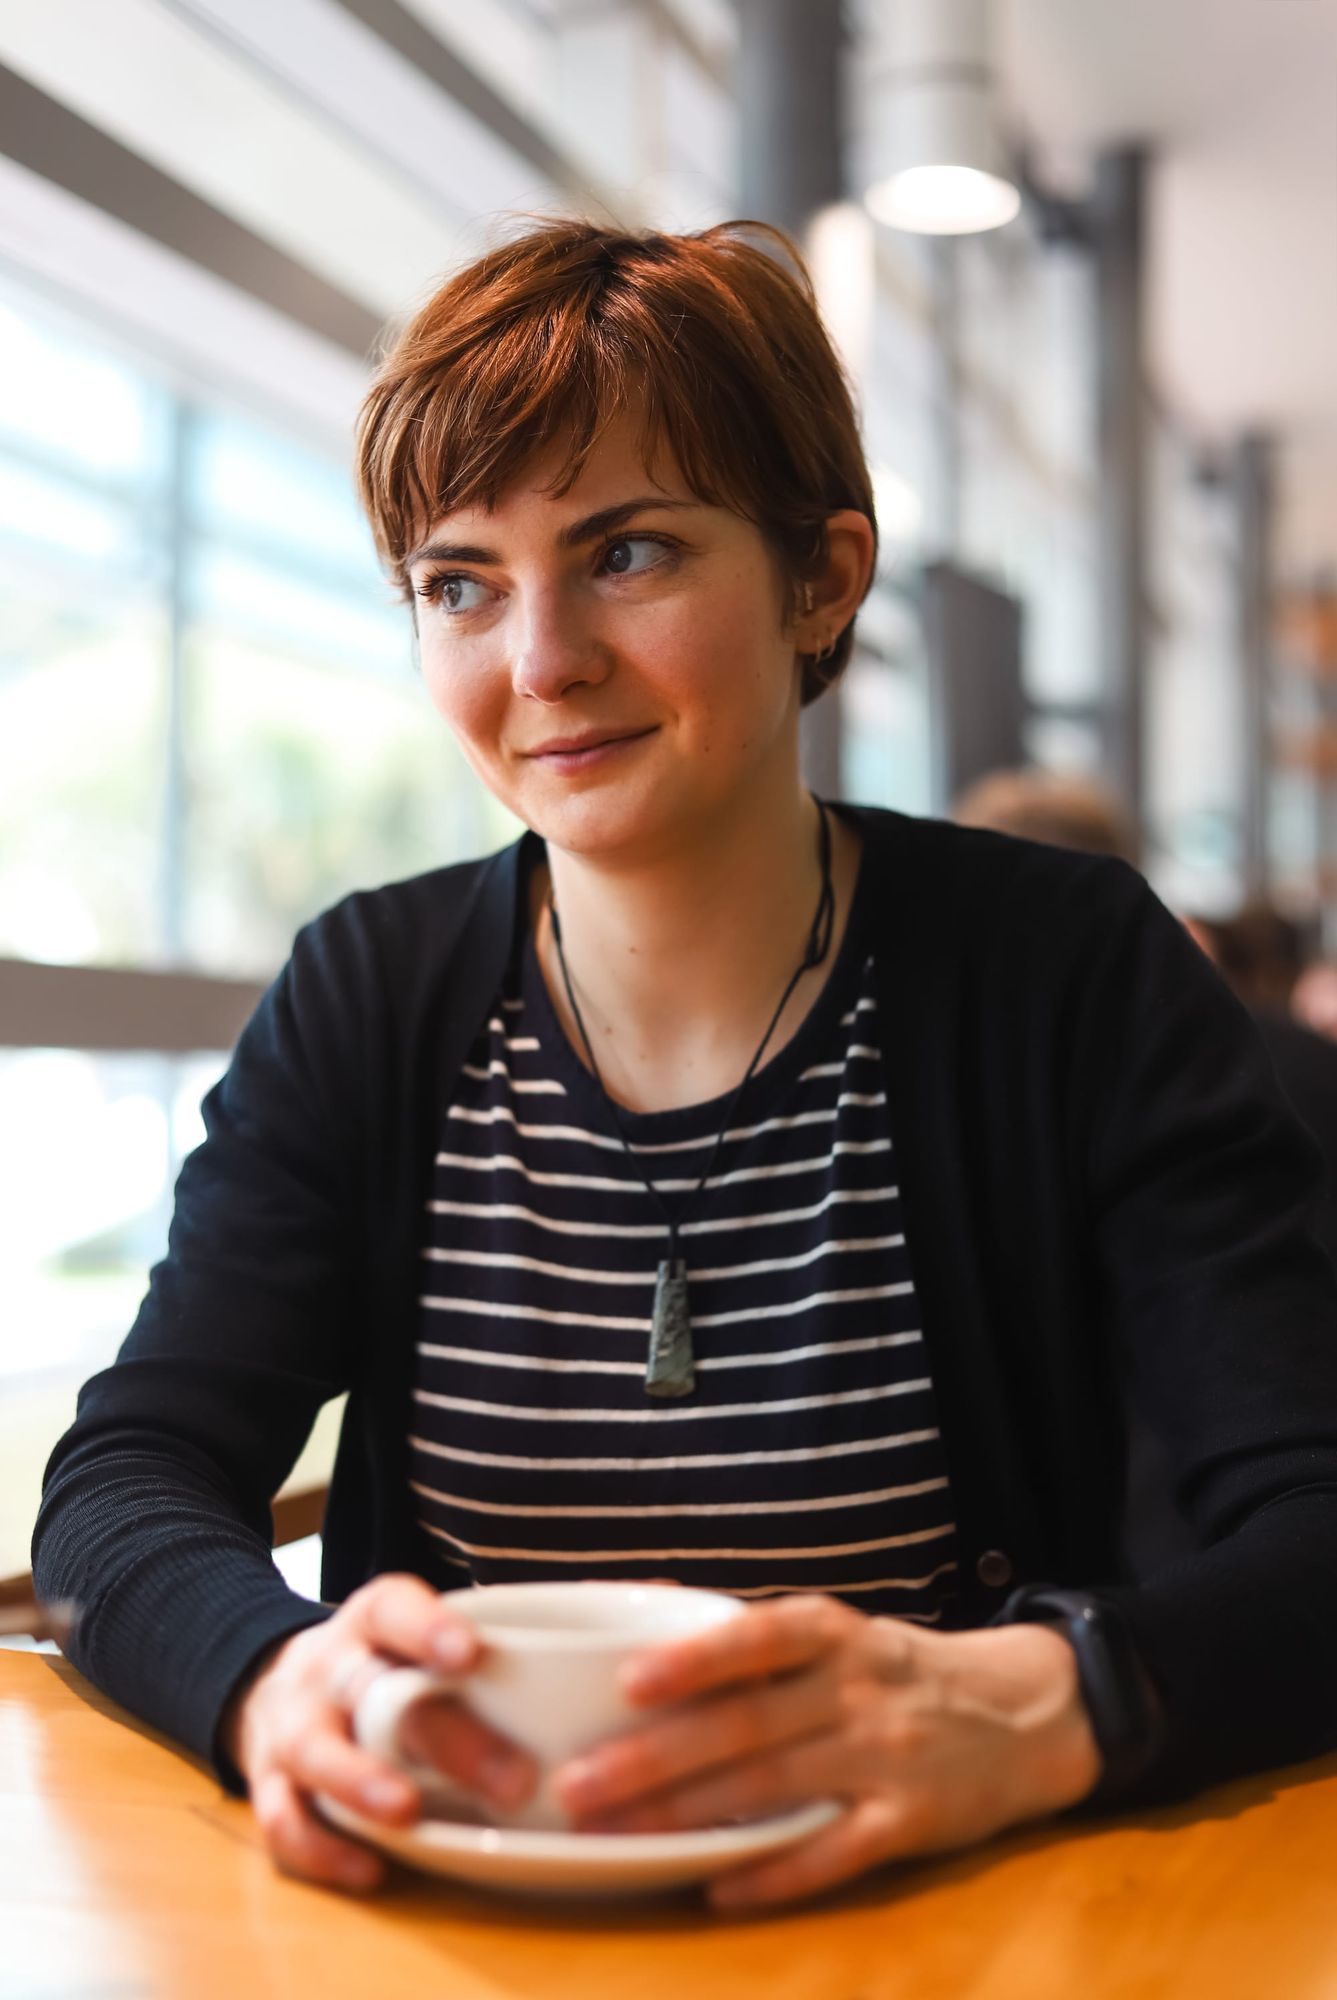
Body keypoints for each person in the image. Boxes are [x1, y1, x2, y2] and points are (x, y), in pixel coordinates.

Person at [34, 220, 1337, 1913]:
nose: (541, 661)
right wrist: (275, 1678)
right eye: (459, 584)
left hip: (940, 1916)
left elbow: (1313, 1522)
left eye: (627, 551)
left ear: (823, 577)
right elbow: (127, 1483)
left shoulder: (1064, 969)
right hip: (462, 1918)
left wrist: (1034, 1704)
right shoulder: (369, 995)